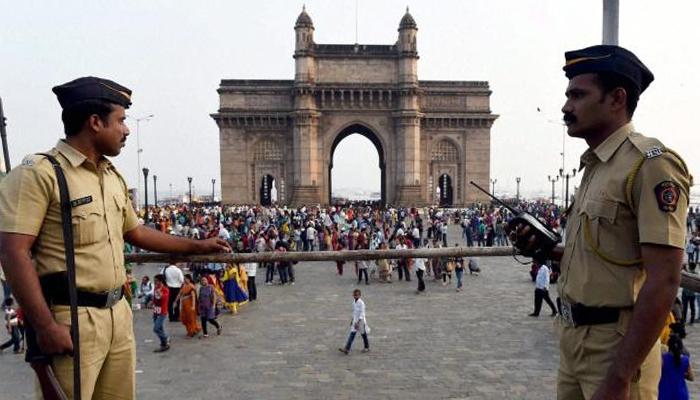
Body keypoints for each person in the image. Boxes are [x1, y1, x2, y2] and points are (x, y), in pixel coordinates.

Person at [0, 77, 230, 399]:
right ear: (95, 122)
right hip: (71, 318)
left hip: (118, 313)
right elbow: (13, 252)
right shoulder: (41, 173)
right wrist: (45, 327)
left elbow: (134, 232)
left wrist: (195, 246)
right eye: (121, 120)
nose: (126, 129)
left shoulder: (111, 176)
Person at [511, 46, 691, 399]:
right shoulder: (596, 167)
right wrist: (548, 250)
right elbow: (605, 257)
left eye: (578, 95)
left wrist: (621, 375)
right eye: (567, 96)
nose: (566, 108)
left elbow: (665, 279)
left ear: (616, 99)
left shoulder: (650, 164)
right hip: (573, 341)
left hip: (617, 349)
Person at [658, 324, 693, 400]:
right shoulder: (686, 359)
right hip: (681, 393)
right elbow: (691, 377)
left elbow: (658, 373)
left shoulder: (663, 358)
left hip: (664, 391)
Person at [338, 289, 370, 355]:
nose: (355, 296)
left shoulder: (361, 303)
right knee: (352, 334)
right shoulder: (353, 302)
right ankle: (347, 348)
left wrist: (358, 322)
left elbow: (362, 313)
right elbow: (354, 313)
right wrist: (352, 320)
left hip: (360, 321)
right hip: (355, 321)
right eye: (354, 295)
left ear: (359, 295)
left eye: (356, 295)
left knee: (363, 335)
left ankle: (366, 347)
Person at [152, 274, 170, 352]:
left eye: (156, 280)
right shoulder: (156, 288)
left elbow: (164, 299)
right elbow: (155, 299)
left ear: (160, 281)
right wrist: (152, 302)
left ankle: (165, 339)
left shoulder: (165, 289)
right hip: (155, 311)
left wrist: (160, 294)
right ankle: (164, 344)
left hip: (162, 311)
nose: (155, 282)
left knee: (156, 328)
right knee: (160, 328)